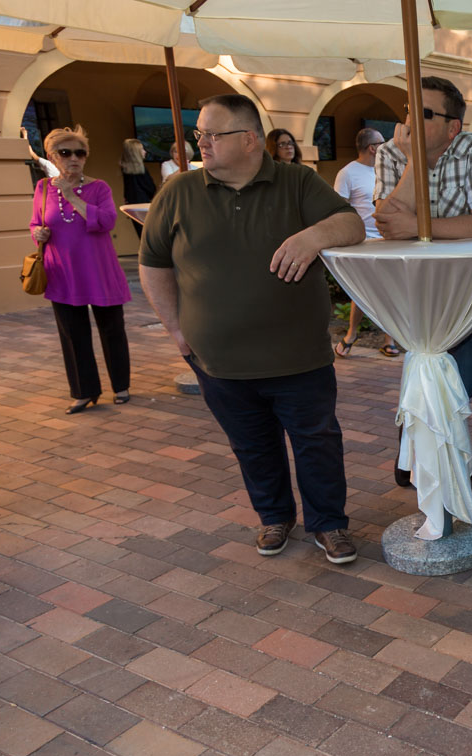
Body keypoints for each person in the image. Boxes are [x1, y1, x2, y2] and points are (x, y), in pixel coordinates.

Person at [139, 94, 365, 564]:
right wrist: (175, 330)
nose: (201, 143)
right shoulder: (178, 191)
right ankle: (274, 516)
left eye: (212, 134)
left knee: (317, 444)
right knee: (252, 446)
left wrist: (313, 236)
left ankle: (329, 523)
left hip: (299, 357)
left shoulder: (296, 181)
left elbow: (351, 224)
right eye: (199, 133)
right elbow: (153, 263)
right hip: (218, 362)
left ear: (249, 140)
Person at [372, 76, 472, 488]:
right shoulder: (390, 152)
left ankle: (447, 469)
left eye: (425, 113)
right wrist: (414, 160)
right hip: (412, 290)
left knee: (457, 383)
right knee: (419, 373)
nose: (411, 120)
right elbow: (385, 223)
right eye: (409, 111)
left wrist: (416, 225)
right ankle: (413, 454)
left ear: (453, 127)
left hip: (463, 291)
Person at [30, 126, 132, 415]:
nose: (74, 158)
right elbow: (35, 222)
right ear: (53, 156)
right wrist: (37, 233)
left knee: (112, 330)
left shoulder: (99, 188)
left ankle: (121, 386)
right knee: (73, 334)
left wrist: (72, 196)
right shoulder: (43, 188)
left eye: (80, 153)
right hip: (62, 272)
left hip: (99, 270)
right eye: (66, 153)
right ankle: (83, 391)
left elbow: (107, 221)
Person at [332, 128, 399, 358]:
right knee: (361, 292)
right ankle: (352, 334)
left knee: (389, 290)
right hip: (363, 244)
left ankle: (389, 340)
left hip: (388, 241)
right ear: (372, 148)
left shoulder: (386, 171)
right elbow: (338, 209)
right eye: (382, 143)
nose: (386, 146)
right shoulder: (347, 173)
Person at [119, 138, 156, 238]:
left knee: (142, 236)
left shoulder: (125, 170)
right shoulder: (142, 171)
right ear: (136, 153)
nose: (145, 152)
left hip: (132, 206)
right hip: (144, 206)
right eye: (142, 149)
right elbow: (151, 189)